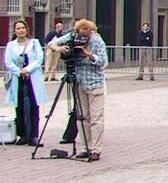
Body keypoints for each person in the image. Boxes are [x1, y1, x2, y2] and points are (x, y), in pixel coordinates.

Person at [48, 19, 107, 160]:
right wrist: (59, 49)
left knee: (96, 118)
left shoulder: (97, 41)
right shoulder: (73, 36)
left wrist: (88, 54)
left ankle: (96, 150)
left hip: (95, 84)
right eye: (81, 35)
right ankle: (85, 147)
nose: (82, 38)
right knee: (82, 118)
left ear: (91, 32)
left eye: (86, 36)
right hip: (79, 83)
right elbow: (52, 43)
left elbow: (103, 61)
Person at [5, 20, 48, 146]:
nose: (20, 30)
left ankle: (34, 135)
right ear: (15, 31)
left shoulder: (34, 43)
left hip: (32, 78)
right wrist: (19, 71)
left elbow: (39, 59)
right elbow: (8, 62)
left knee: (34, 106)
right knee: (19, 106)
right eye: (18, 28)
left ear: (27, 29)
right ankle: (22, 135)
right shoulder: (10, 45)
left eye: (23, 28)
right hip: (18, 78)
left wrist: (27, 70)